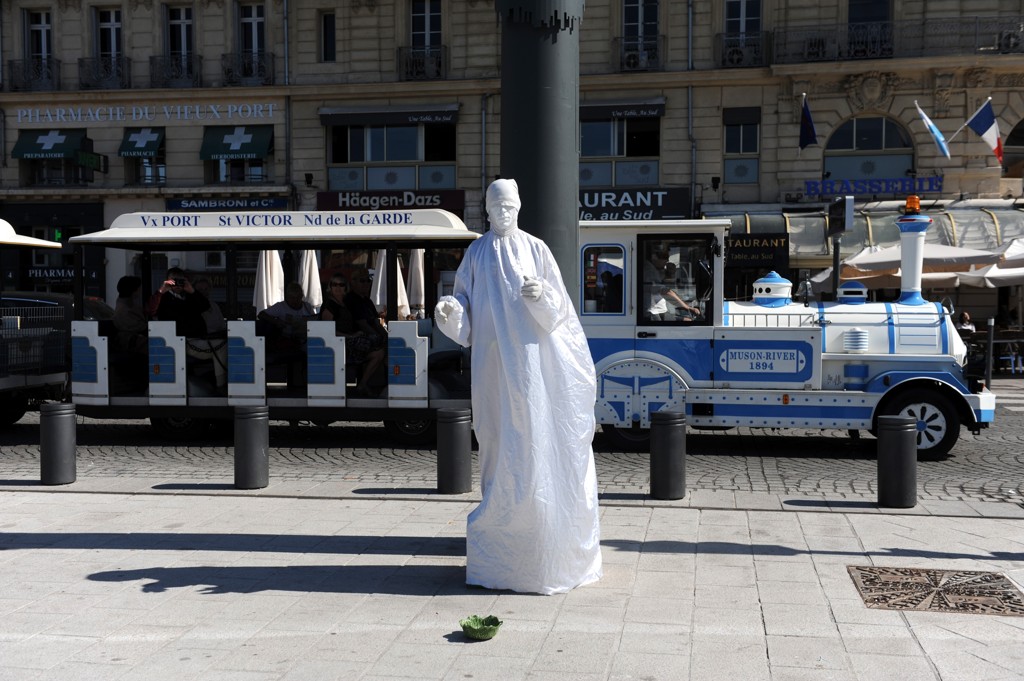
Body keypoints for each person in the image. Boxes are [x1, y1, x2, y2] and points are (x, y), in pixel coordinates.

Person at [434, 178, 602, 595]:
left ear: (519, 208)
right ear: (487, 211)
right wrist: (451, 311)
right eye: (497, 208)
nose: (504, 214)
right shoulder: (475, 254)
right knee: (498, 440)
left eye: (510, 207)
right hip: (493, 368)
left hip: (533, 368)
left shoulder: (537, 249)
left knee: (537, 440)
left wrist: (542, 295)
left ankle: (543, 543)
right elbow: (464, 312)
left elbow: (561, 310)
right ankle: (503, 550)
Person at [148, 267, 227, 389]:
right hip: (183, 342)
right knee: (221, 347)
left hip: (197, 338)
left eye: (180, 281)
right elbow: (150, 310)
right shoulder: (163, 299)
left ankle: (221, 382)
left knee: (225, 344)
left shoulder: (189, 296)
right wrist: (161, 291)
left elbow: (205, 306)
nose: (177, 284)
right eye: (173, 281)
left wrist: (192, 290)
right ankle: (221, 385)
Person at [321, 274, 386, 396]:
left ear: (346, 287)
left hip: (350, 343)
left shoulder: (345, 304)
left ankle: (362, 385)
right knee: (376, 340)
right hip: (337, 344)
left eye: (341, 284)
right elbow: (327, 331)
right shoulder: (330, 305)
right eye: (334, 284)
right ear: (330, 287)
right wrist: (350, 336)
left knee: (380, 353)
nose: (338, 287)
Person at [258, 282, 315, 352]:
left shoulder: (307, 306)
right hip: (287, 340)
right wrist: (276, 322)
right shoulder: (281, 306)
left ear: (301, 296)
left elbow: (314, 321)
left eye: (298, 297)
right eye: (292, 298)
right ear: (287, 297)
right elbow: (261, 314)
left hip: (307, 339)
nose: (295, 300)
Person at [644, 249, 699, 321]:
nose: (667, 260)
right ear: (654, 256)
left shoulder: (654, 269)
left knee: (687, 320)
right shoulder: (649, 270)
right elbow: (666, 292)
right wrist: (687, 307)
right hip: (653, 313)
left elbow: (665, 284)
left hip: (661, 310)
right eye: (665, 257)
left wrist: (670, 274)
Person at [343, 267, 389, 348]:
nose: (366, 284)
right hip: (357, 338)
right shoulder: (351, 300)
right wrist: (378, 337)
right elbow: (362, 324)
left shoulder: (368, 301)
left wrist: (386, 336)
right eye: (362, 281)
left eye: (368, 280)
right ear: (353, 282)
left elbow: (376, 322)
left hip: (371, 335)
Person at [112, 275, 148, 355]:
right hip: (132, 346)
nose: (140, 290)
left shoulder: (129, 304)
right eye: (139, 288)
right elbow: (142, 328)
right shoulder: (124, 310)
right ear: (133, 290)